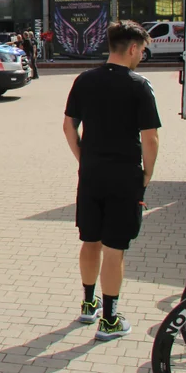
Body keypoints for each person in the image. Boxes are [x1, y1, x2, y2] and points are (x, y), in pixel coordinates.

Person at [63, 21, 160, 341]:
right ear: (132, 48)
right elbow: (151, 139)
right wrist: (147, 173)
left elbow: (68, 127)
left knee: (89, 240)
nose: (141, 57)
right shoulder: (139, 85)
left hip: (90, 175)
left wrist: (84, 159)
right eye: (142, 51)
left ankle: (88, 305)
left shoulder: (84, 80)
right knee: (114, 248)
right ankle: (109, 320)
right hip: (124, 177)